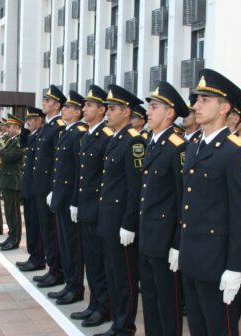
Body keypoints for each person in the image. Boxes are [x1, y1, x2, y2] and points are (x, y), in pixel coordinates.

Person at [179, 68, 241, 335]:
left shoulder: (238, 152)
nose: (196, 105)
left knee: (219, 329)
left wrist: (235, 267)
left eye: (204, 100)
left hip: (217, 261)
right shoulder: (193, 146)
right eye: (196, 99)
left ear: (224, 107)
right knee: (198, 327)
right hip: (192, 256)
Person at [93, 84, 146, 336]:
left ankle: (125, 326)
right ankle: (117, 321)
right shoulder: (117, 138)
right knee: (113, 274)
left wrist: (129, 223)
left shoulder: (134, 141)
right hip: (108, 219)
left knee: (124, 277)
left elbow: (135, 189)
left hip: (120, 222)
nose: (107, 113)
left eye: (112, 109)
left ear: (126, 112)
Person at [139, 81, 189, 336]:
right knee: (149, 297)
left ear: (170, 113)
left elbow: (183, 201)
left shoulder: (177, 146)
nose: (148, 111)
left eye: (154, 107)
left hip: (166, 238)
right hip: (148, 235)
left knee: (167, 302)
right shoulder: (153, 141)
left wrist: (177, 244)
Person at [70, 85, 113, 327]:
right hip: (86, 208)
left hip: (99, 210)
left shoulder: (106, 137)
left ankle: (103, 307)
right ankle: (94, 303)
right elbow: (81, 174)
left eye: (88, 105)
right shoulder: (88, 135)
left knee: (100, 262)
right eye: (84, 105)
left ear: (101, 110)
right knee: (91, 261)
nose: (84, 109)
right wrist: (76, 202)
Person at [47, 91, 88, 304]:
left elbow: (77, 172)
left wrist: (74, 201)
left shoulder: (79, 133)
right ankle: (69, 283)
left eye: (67, 108)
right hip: (60, 197)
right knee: (64, 243)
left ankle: (76, 286)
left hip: (70, 197)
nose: (63, 110)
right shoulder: (66, 132)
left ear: (77, 112)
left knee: (73, 245)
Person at [33, 85, 67, 288]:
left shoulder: (58, 127)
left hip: (48, 188)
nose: (43, 103)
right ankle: (51, 268)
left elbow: (57, 161)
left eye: (47, 101)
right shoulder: (46, 126)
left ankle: (57, 271)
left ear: (56, 105)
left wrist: (53, 189)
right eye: (44, 100)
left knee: (52, 232)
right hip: (40, 187)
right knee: (46, 230)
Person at [17, 107, 47, 272]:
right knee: (30, 223)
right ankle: (33, 255)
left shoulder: (40, 135)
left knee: (36, 225)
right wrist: (24, 129)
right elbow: (23, 143)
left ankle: (38, 258)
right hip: (29, 186)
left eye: (32, 119)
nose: (28, 121)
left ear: (39, 120)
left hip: (36, 188)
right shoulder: (33, 135)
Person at [0, 115, 25, 251]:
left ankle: (15, 240)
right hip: (7, 179)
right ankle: (11, 236)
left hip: (13, 180)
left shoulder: (18, 142)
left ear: (17, 128)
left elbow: (9, 157)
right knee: (8, 211)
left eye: (10, 126)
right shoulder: (10, 140)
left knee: (13, 212)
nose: (7, 129)